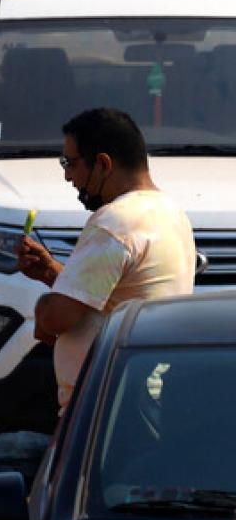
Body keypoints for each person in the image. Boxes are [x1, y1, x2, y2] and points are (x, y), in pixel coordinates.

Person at [16, 108, 196, 411]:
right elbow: (116, 296)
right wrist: (52, 274)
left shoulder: (116, 222)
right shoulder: (170, 212)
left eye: (70, 163)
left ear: (102, 163)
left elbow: (56, 317)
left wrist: (43, 307)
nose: (67, 175)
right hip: (141, 391)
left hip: (108, 402)